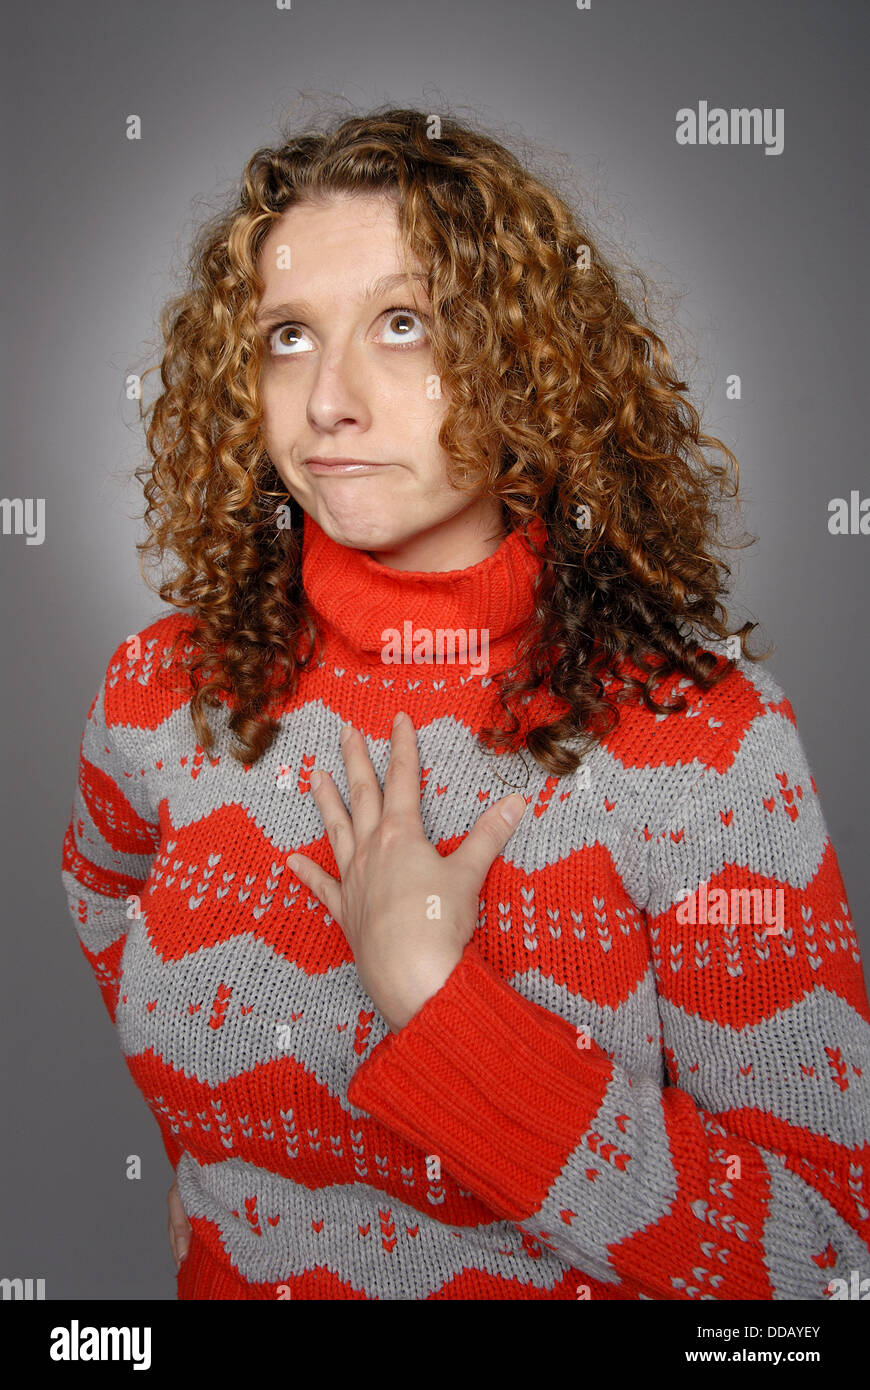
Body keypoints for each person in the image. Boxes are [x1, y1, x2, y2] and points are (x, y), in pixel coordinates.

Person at [61, 104, 870, 1300]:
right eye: (288, 335)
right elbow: (102, 893)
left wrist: (443, 1008)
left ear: (526, 358)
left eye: (402, 325)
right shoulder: (161, 689)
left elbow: (823, 1267)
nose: (329, 399)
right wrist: (225, 1168)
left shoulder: (699, 733)